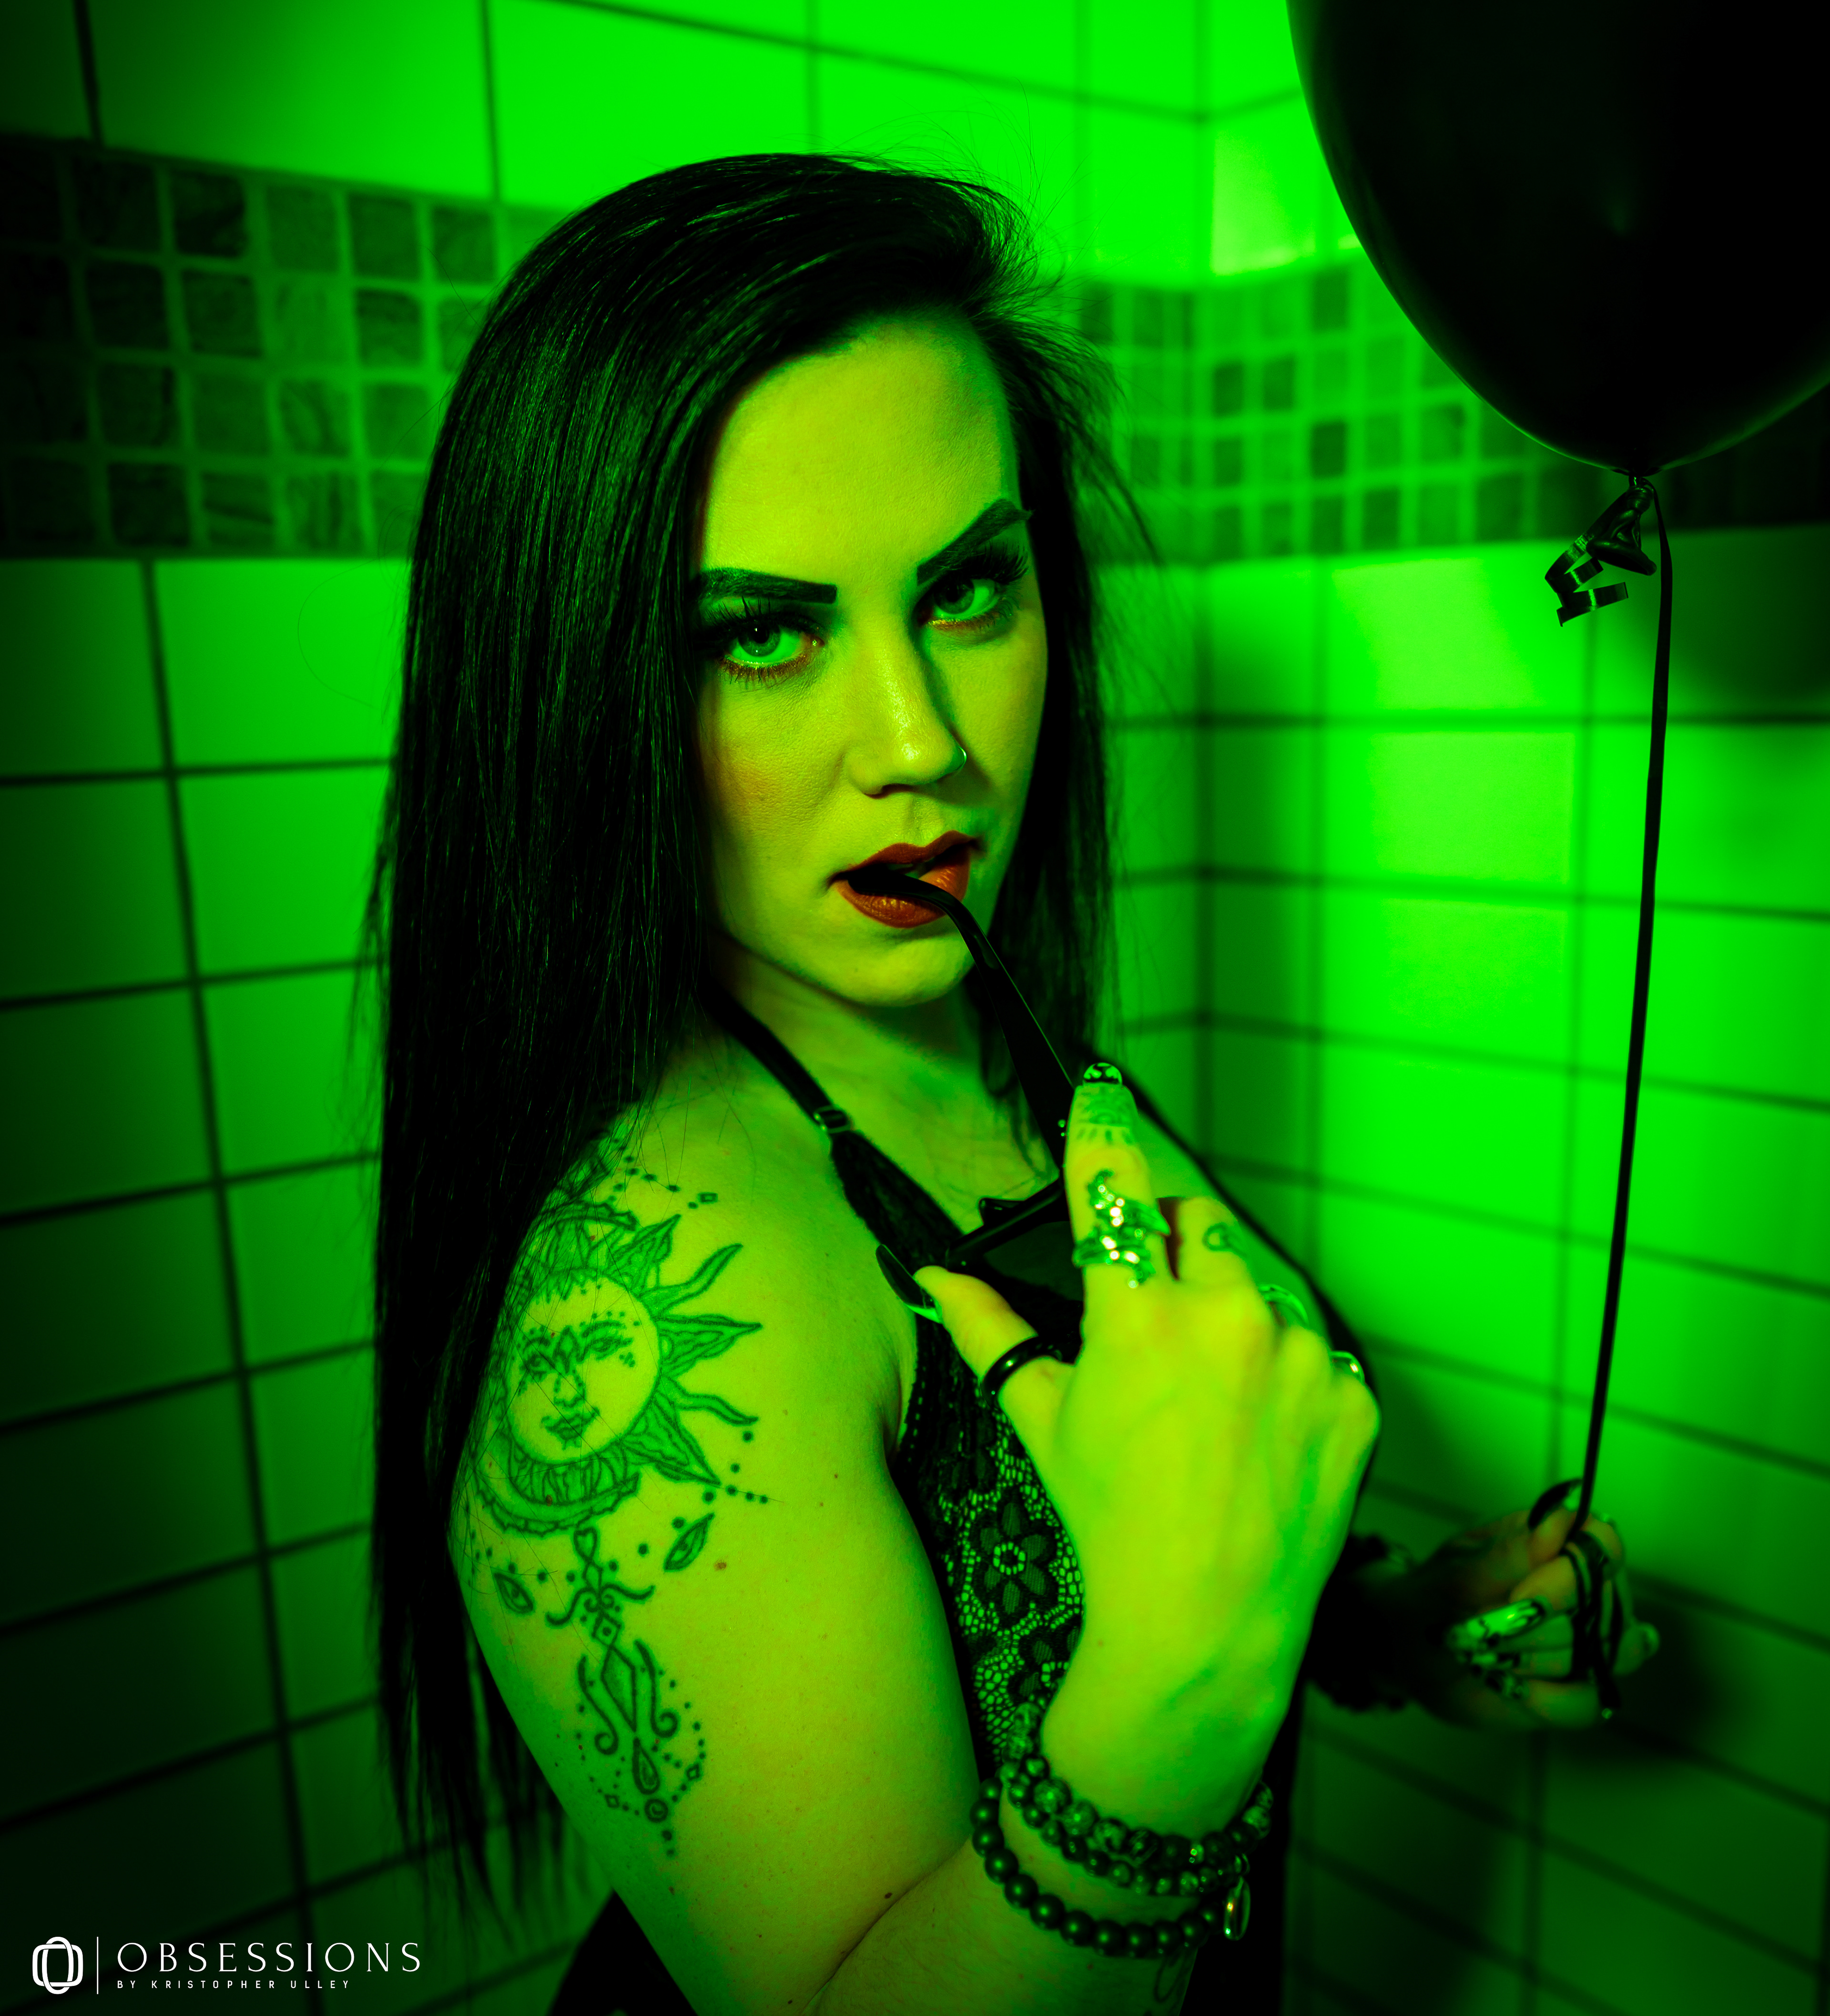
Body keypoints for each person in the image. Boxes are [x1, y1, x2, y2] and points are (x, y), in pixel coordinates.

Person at [368, 156, 1657, 2016]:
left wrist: (1386, 1623)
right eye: (760, 632)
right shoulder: (657, 1283)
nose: (924, 744)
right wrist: (1180, 1693)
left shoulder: (1004, 1054)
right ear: (578, 689)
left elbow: (1083, 1565)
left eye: (970, 589)